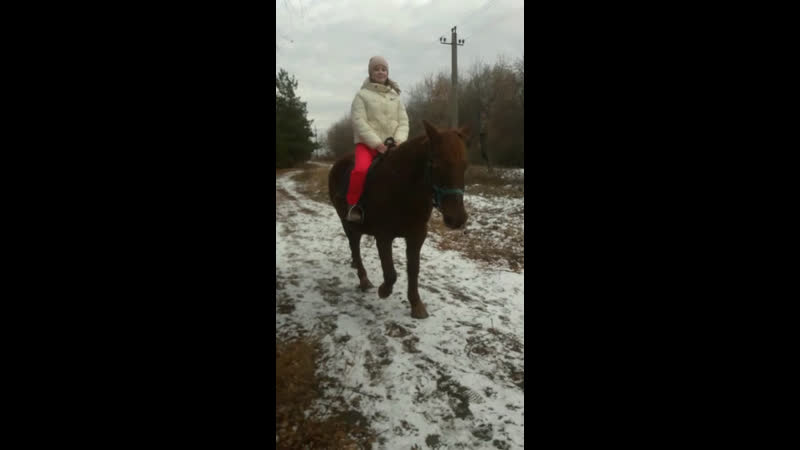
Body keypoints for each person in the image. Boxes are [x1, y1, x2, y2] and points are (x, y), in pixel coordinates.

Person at [345, 55, 409, 222]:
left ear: (387, 72)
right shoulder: (361, 95)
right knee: (360, 171)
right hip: (367, 145)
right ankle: (354, 205)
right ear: (370, 72)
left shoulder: (395, 97)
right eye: (376, 69)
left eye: (383, 69)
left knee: (411, 171)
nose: (380, 72)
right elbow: (359, 122)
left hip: (394, 145)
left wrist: (399, 141)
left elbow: (404, 122)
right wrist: (377, 144)